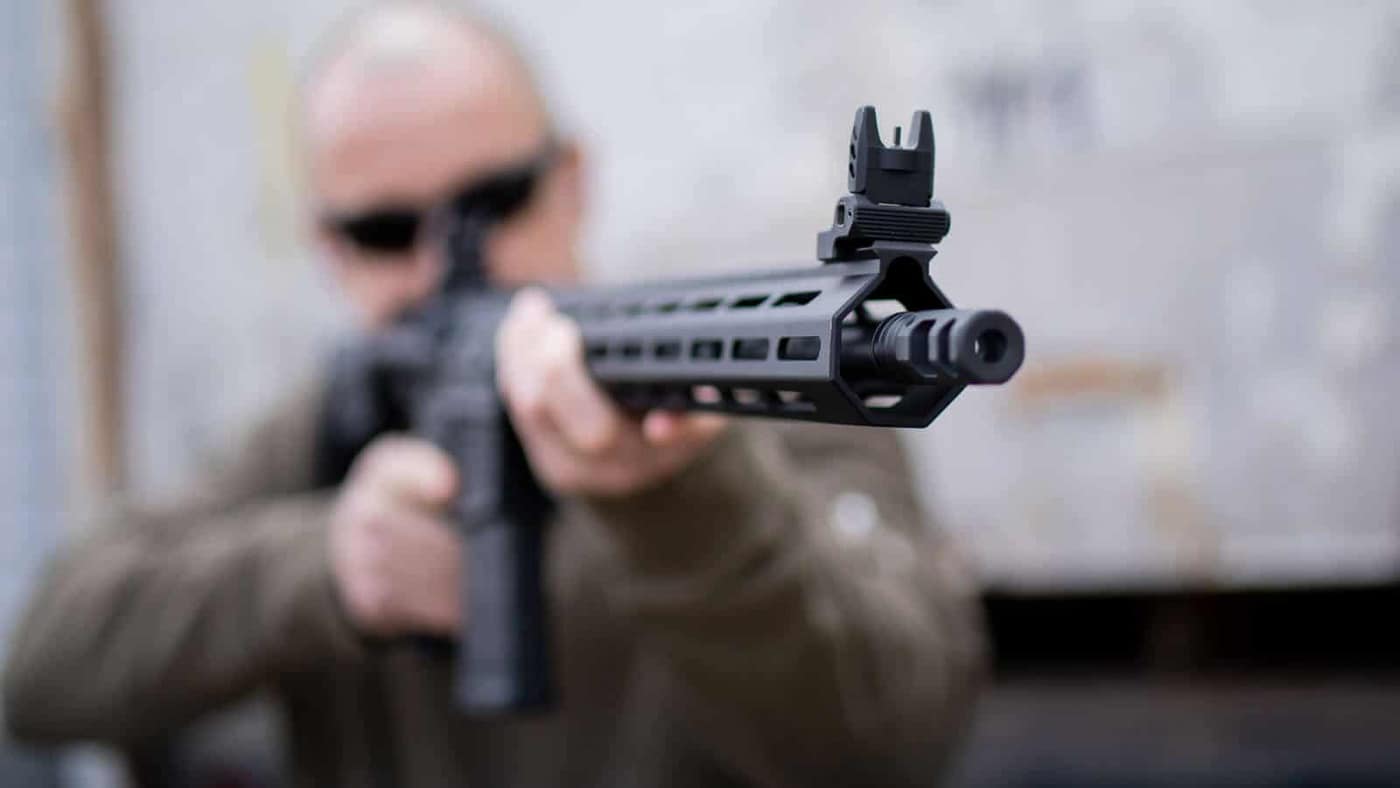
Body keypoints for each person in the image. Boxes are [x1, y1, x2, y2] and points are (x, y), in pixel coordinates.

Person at [3, 4, 984, 785]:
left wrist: (681, 495)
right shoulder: (324, 424)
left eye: (491, 201)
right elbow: (41, 664)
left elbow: (887, 742)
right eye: (386, 229)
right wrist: (329, 566)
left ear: (569, 180)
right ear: (328, 247)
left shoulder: (740, 403)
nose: (446, 265)